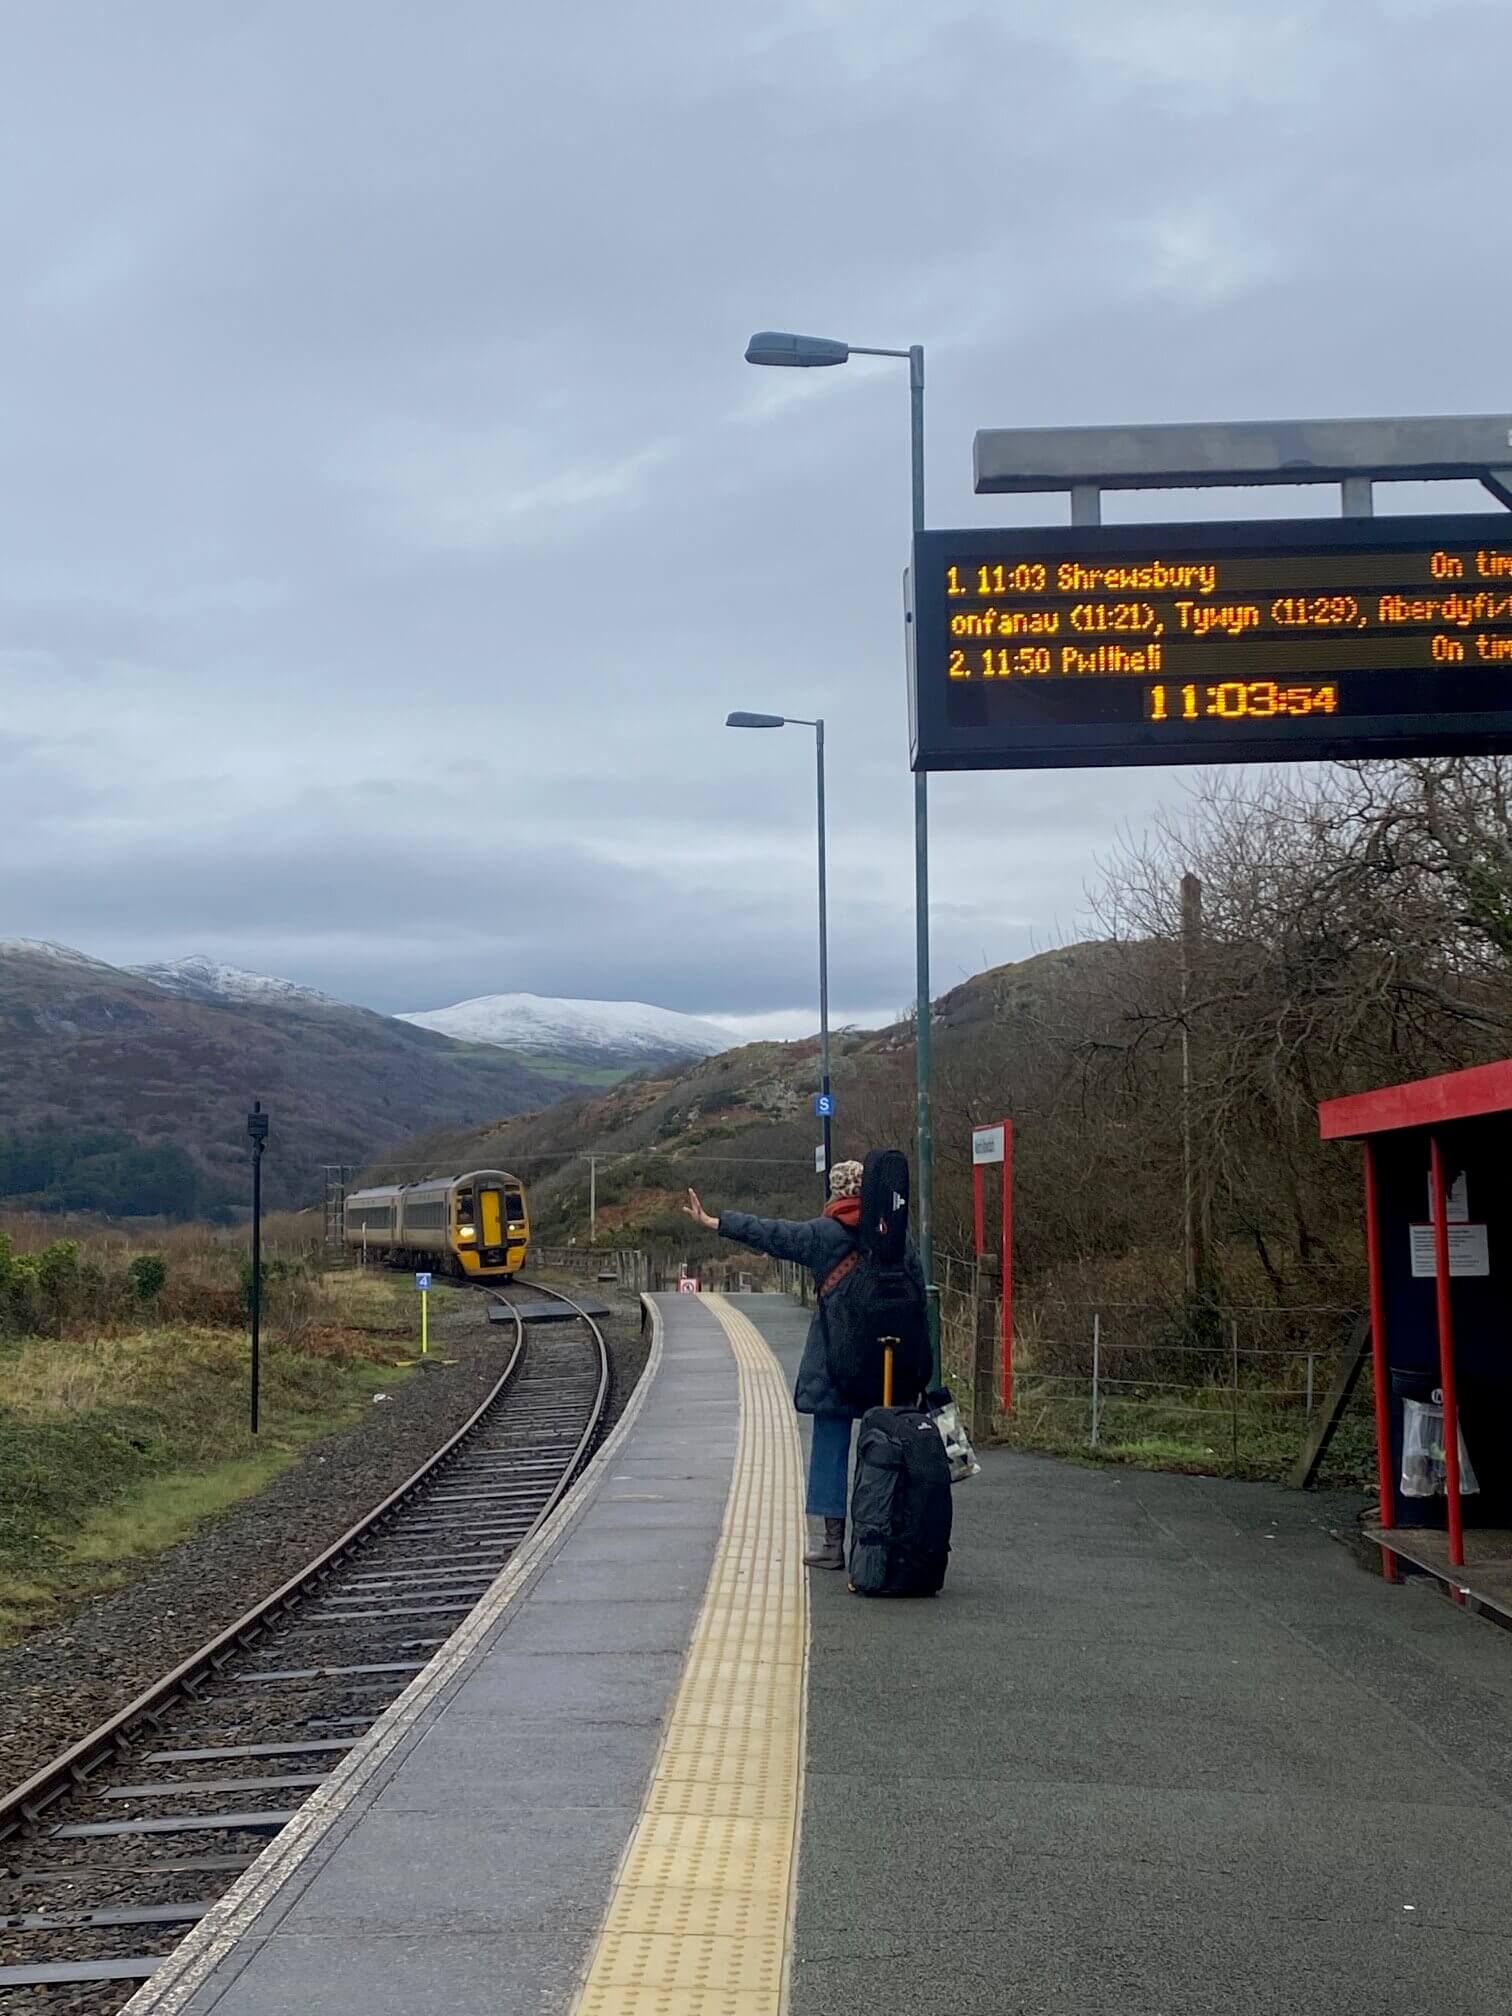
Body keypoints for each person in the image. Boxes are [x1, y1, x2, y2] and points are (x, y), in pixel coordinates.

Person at [682, 1159, 923, 1570]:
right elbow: (918, 1294)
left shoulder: (822, 1235)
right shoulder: (896, 1236)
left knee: (830, 1447)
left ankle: (832, 1545)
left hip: (836, 1364)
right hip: (889, 1362)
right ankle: (886, 1535)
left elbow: (771, 1233)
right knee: (888, 1446)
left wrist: (714, 1222)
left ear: (835, 1193)